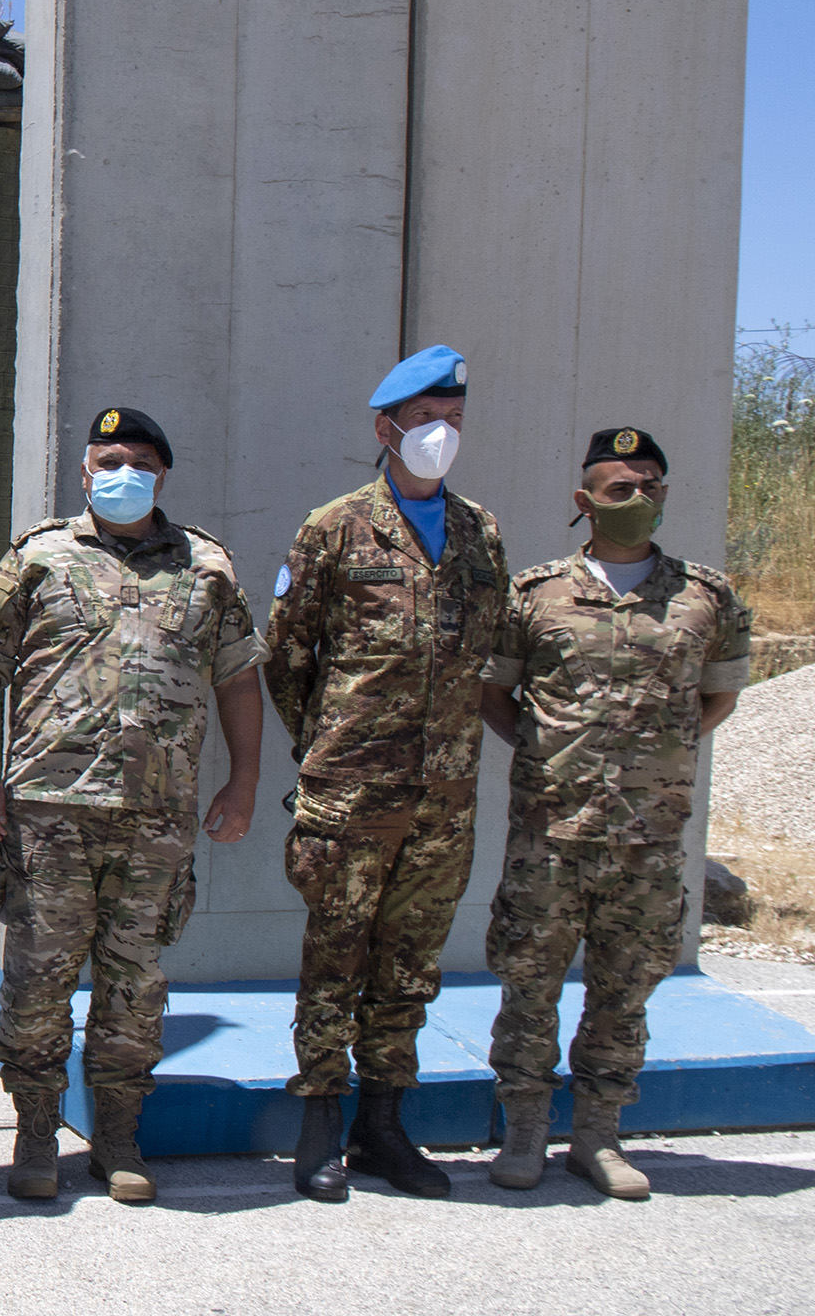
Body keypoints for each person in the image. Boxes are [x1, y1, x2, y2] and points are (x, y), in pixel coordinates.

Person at [0, 406, 267, 1205]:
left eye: (139, 460)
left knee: (136, 983)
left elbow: (239, 677)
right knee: (37, 979)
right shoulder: (38, 557)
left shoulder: (207, 565)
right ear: (84, 471)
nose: (123, 472)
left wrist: (243, 782)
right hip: (47, 808)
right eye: (108, 459)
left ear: (162, 474)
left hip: (157, 814)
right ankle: (35, 1133)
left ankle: (117, 1134)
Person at [262, 344, 508, 1202]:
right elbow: (286, 657)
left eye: (455, 422)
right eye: (426, 420)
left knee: (409, 968)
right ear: (386, 428)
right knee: (335, 958)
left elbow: (486, 658)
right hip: (353, 793)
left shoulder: (480, 532)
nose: (441, 435)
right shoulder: (333, 527)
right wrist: (330, 747)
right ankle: (322, 1122)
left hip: (444, 799)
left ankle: (384, 1128)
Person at [479, 426, 751, 1199]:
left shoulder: (706, 596)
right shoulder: (534, 596)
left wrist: (650, 761)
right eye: (620, 488)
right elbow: (494, 691)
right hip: (551, 833)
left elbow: (719, 694)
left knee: (625, 989)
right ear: (585, 500)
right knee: (528, 985)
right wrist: (543, 750)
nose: (637, 501)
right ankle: (526, 1131)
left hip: (650, 838)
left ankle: (599, 1137)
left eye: (650, 487)